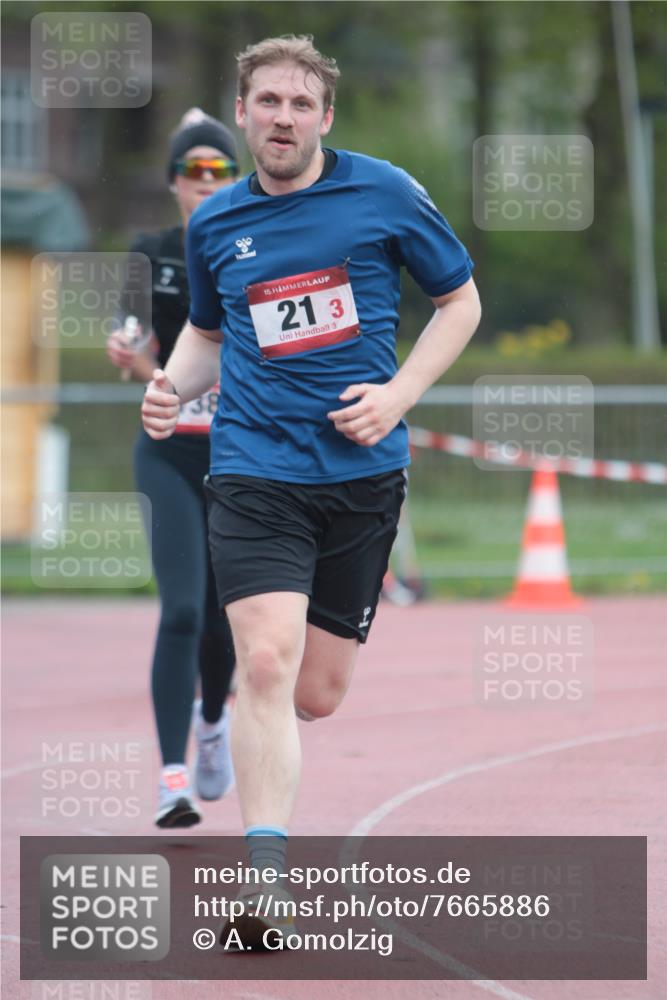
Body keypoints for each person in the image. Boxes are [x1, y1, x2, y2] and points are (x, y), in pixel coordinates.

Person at [141, 34, 481, 939]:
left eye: (299, 104)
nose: (282, 118)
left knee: (316, 692)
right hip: (254, 467)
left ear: (324, 117)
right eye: (266, 102)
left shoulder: (385, 192)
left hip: (363, 474)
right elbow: (210, 337)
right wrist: (171, 386)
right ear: (244, 111)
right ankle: (264, 889)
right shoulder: (213, 223)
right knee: (262, 660)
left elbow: (461, 302)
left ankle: (260, 742)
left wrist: (399, 393)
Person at [107, 109, 239, 828]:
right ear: (174, 183)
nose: (207, 183)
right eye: (194, 171)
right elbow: (135, 345)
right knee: (183, 608)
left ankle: (213, 718)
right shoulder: (149, 253)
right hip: (168, 450)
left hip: (238, 457)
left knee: (223, 620)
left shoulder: (255, 250)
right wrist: (135, 357)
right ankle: (171, 777)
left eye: (221, 170)